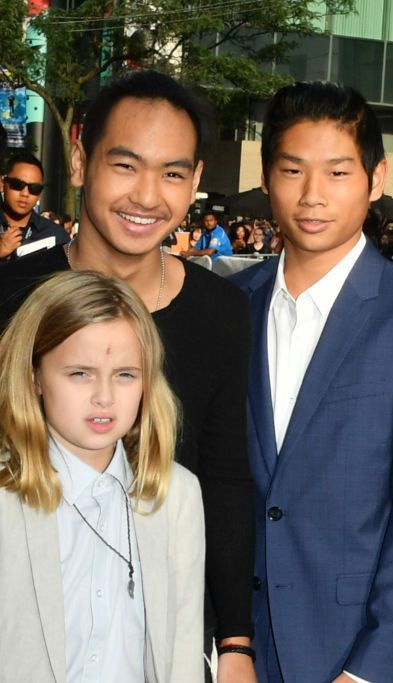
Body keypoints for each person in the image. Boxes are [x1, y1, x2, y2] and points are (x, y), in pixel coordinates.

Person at [0, 70, 256, 682]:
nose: (147, 196)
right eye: (126, 165)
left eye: (172, 173)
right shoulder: (11, 301)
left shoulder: (222, 312)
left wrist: (236, 644)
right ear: (82, 158)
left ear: (195, 181)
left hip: (153, 632)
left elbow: (222, 476)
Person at [231, 81, 393, 683]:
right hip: (234, 646)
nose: (313, 196)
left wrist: (370, 668)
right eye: (293, 170)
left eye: (337, 173)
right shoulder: (234, 303)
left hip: (346, 650)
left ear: (375, 178)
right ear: (267, 176)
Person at [0, 271, 204, 682]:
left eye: (126, 374)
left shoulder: (175, 494)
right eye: (80, 373)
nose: (105, 397)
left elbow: (182, 648)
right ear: (35, 375)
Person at [0, 151, 69, 262]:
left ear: (40, 195)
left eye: (34, 188)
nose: (25, 193)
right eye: (18, 184)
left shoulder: (57, 236)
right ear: (2, 184)